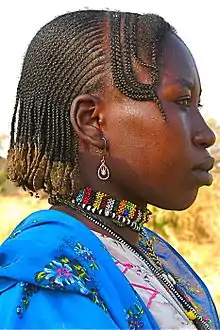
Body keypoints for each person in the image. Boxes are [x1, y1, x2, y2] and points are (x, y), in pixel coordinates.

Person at [0, 9, 219, 330]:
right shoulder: (46, 283)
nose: (206, 134)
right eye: (182, 101)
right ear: (92, 122)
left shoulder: (149, 250)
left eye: (197, 105)